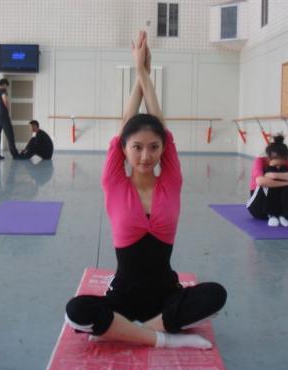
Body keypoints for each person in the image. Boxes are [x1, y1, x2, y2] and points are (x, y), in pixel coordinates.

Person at [65, 31, 227, 350]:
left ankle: (134, 332)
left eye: (153, 148)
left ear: (162, 150)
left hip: (166, 294)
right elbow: (127, 124)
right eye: (136, 147)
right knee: (76, 311)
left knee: (216, 295)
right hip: (122, 296)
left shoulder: (171, 182)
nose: (145, 155)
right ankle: (164, 338)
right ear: (124, 149)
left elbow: (162, 129)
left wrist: (144, 73)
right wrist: (140, 73)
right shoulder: (114, 182)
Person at [247, 135, 288, 227]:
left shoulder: (285, 162)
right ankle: (272, 215)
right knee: (270, 182)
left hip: (278, 206)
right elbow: (260, 182)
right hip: (259, 208)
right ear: (269, 158)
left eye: (282, 163)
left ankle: (282, 215)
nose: (279, 165)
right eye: (276, 163)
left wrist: (275, 175)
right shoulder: (259, 161)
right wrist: (286, 182)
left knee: (284, 179)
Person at [0, 78, 20, 160]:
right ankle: (15, 154)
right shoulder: (3, 91)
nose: (6, 88)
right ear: (4, 84)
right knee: (10, 135)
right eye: (6, 86)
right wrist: (7, 110)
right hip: (3, 115)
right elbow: (5, 101)